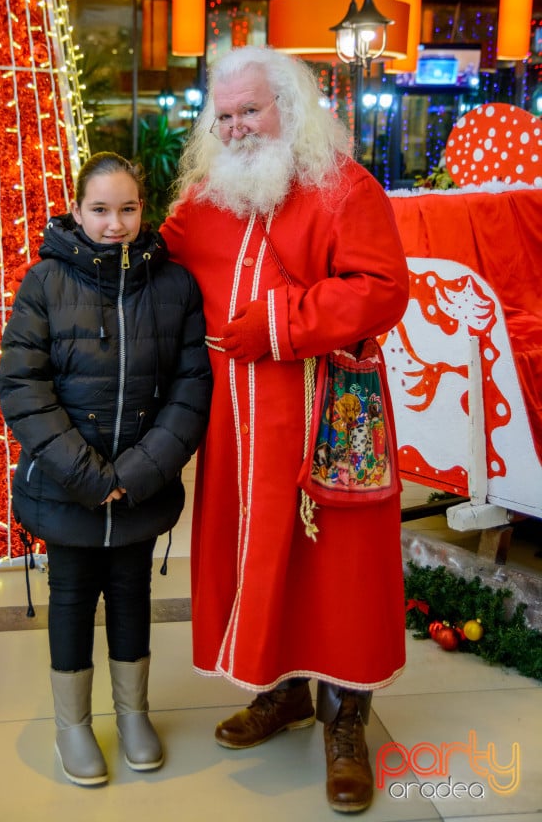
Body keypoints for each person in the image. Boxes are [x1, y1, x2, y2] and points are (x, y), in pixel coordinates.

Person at [160, 46, 409, 813]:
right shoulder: (204, 197)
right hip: (237, 425)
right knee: (259, 559)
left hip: (324, 415)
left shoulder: (344, 186)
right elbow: (157, 263)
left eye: (250, 112)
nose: (236, 128)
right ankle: (285, 692)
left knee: (337, 571)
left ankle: (347, 721)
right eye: (224, 115)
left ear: (288, 111)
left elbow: (382, 288)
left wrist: (276, 322)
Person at [0, 152, 211, 787]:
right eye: (100, 210)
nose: (114, 223)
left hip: (140, 484)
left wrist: (138, 471)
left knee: (131, 593)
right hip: (69, 488)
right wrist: (91, 476)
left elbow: (191, 387)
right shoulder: (45, 282)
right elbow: (23, 388)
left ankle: (133, 712)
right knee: (71, 598)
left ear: (143, 210)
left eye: (127, 209)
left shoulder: (175, 286)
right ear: (77, 210)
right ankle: (73, 723)